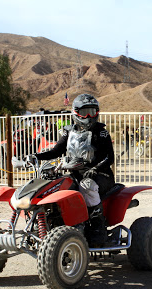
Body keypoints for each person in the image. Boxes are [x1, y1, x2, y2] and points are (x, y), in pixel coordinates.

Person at [35, 94, 115, 246]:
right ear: (76, 112)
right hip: (75, 173)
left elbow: (110, 158)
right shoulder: (68, 132)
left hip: (101, 175)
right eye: (85, 112)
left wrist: (96, 168)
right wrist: (36, 156)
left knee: (87, 186)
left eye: (92, 111)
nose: (89, 116)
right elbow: (56, 151)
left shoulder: (101, 132)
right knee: (58, 186)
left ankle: (98, 227)